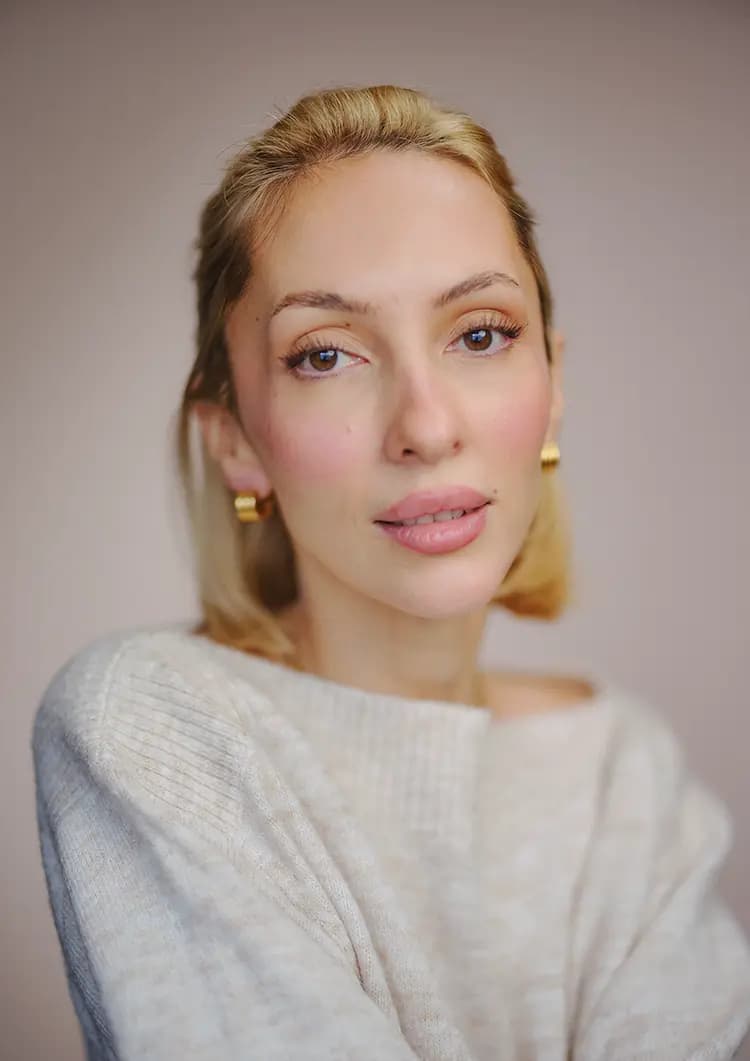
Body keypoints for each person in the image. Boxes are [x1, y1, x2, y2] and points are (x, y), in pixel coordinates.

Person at [31, 83, 750, 1060]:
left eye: (482, 333)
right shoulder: (151, 723)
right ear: (236, 439)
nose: (425, 425)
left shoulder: (622, 767)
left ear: (553, 384)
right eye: (326, 354)